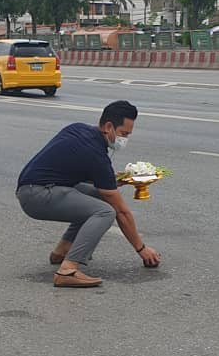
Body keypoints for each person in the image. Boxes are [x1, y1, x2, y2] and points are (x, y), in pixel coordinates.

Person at [15, 100, 163, 288]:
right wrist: (142, 249)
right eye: (124, 134)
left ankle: (62, 251)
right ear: (109, 126)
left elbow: (82, 175)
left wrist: (116, 180)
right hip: (37, 195)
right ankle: (68, 270)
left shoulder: (78, 130)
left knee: (97, 197)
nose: (125, 139)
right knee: (106, 211)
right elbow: (122, 212)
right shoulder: (96, 155)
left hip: (35, 188)